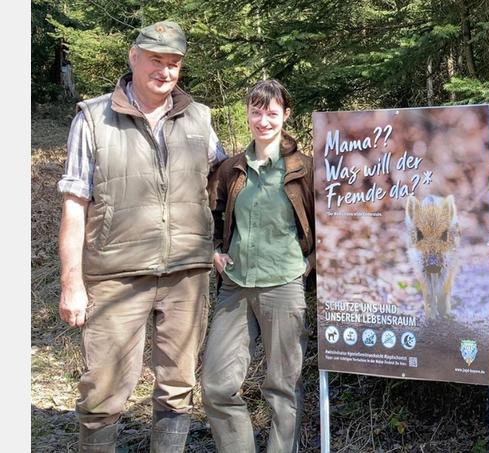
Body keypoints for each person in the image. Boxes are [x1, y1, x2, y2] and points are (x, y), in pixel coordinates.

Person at [56, 20, 227, 452]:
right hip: (116, 275)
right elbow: (74, 203)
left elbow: (224, 185)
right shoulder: (94, 118)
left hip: (187, 273)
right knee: (103, 390)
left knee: (178, 385)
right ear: (134, 57)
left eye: (174, 63)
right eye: (156, 60)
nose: (165, 71)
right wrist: (71, 283)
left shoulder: (199, 118)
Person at [201, 79, 315, 453]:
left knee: (283, 387)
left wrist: (310, 262)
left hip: (284, 284)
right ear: (247, 114)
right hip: (235, 285)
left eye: (272, 112)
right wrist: (214, 250)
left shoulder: (304, 169)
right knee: (217, 385)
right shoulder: (231, 168)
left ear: (286, 115)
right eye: (256, 112)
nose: (263, 120)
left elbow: (330, 223)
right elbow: (210, 213)